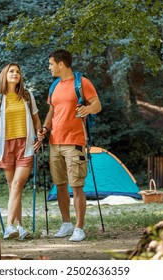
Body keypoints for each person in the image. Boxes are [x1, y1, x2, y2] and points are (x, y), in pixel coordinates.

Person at [38, 49, 102, 242]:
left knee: (77, 186)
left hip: (74, 141)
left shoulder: (82, 83)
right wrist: (44, 129)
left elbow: (97, 105)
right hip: (55, 143)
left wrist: (87, 109)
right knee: (60, 185)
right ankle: (66, 223)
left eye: (51, 64)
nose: (49, 67)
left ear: (61, 64)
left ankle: (79, 228)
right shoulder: (54, 86)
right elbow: (52, 111)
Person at [0, 63, 42, 240]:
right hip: (5, 146)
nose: (15, 74)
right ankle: (20, 227)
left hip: (26, 145)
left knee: (16, 185)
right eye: (12, 71)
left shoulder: (27, 96)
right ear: (4, 75)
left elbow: (36, 120)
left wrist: (39, 138)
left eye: (18, 72)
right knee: (13, 188)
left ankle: (9, 226)